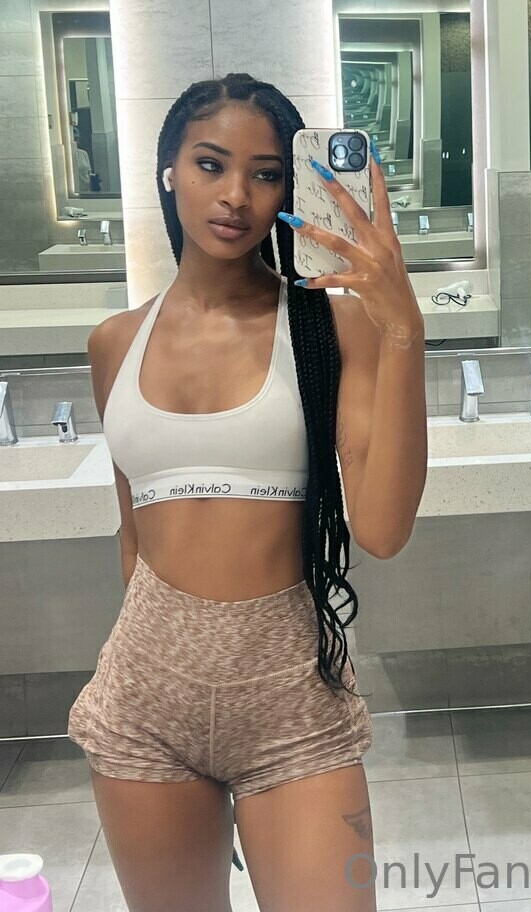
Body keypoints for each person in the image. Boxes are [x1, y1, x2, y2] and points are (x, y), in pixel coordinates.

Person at [67, 72, 427, 912]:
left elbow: (382, 529)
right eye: (210, 164)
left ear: (288, 190)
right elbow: (134, 535)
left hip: (290, 695)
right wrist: (170, 670)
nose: (236, 195)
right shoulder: (114, 343)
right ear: (168, 171)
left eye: (265, 174)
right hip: (147, 698)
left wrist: (403, 326)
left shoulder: (327, 326)